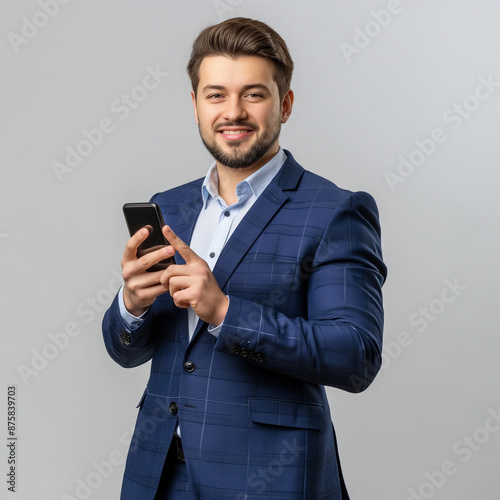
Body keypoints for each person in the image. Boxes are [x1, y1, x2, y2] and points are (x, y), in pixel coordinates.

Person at [102, 16, 387, 500]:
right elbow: (126, 351)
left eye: (253, 94)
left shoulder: (335, 210)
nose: (233, 111)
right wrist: (131, 305)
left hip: (270, 479)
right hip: (156, 477)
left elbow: (355, 355)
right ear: (195, 105)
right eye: (216, 95)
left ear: (286, 103)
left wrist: (225, 313)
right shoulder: (170, 207)